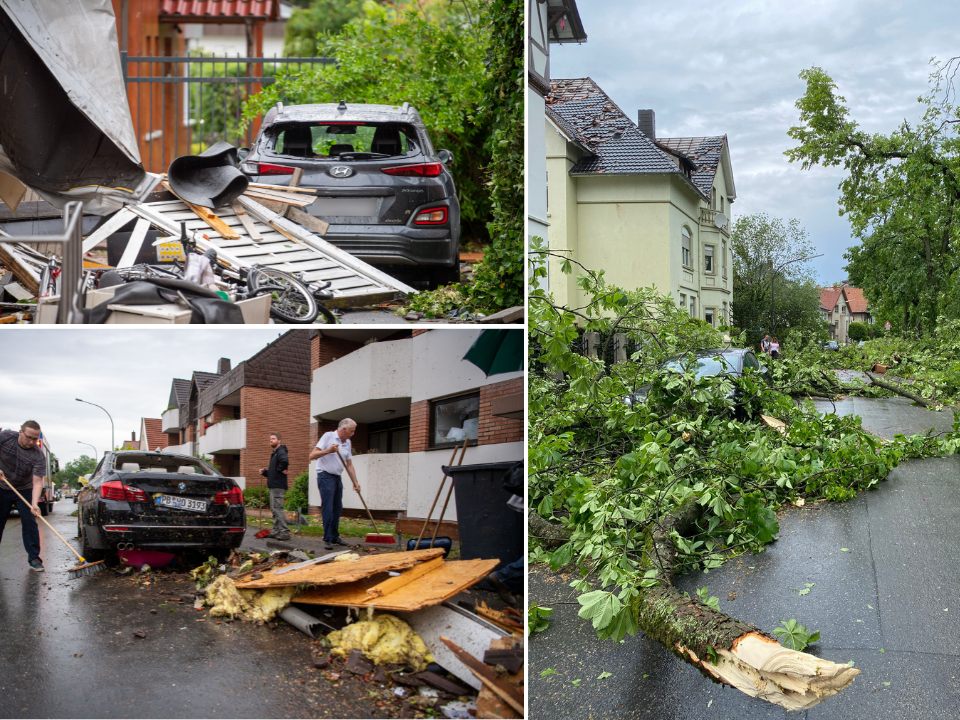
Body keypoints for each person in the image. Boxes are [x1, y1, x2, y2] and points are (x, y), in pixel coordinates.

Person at [0, 421, 48, 572]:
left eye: (35, 439)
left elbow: (38, 481)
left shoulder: (38, 455)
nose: (32, 442)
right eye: (29, 437)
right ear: (20, 432)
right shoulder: (6, 437)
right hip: (2, 486)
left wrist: (34, 504)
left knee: (29, 522)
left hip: (24, 489)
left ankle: (34, 558)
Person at [308, 418, 360, 551]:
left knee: (338, 507)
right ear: (343, 430)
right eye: (351, 431)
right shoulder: (328, 436)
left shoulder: (347, 442)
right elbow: (312, 455)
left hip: (337, 477)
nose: (353, 434)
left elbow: (349, 464)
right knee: (328, 507)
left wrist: (355, 482)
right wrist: (328, 451)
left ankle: (335, 536)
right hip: (325, 475)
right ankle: (328, 538)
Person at [259, 432, 290, 541]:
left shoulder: (281, 451)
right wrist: (265, 472)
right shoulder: (275, 453)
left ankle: (284, 532)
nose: (271, 440)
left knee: (277, 509)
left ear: (279, 440)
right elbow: (274, 471)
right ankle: (276, 531)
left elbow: (285, 462)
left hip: (278, 486)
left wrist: (279, 470)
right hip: (274, 485)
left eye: (273, 438)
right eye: (270, 438)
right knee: (274, 509)